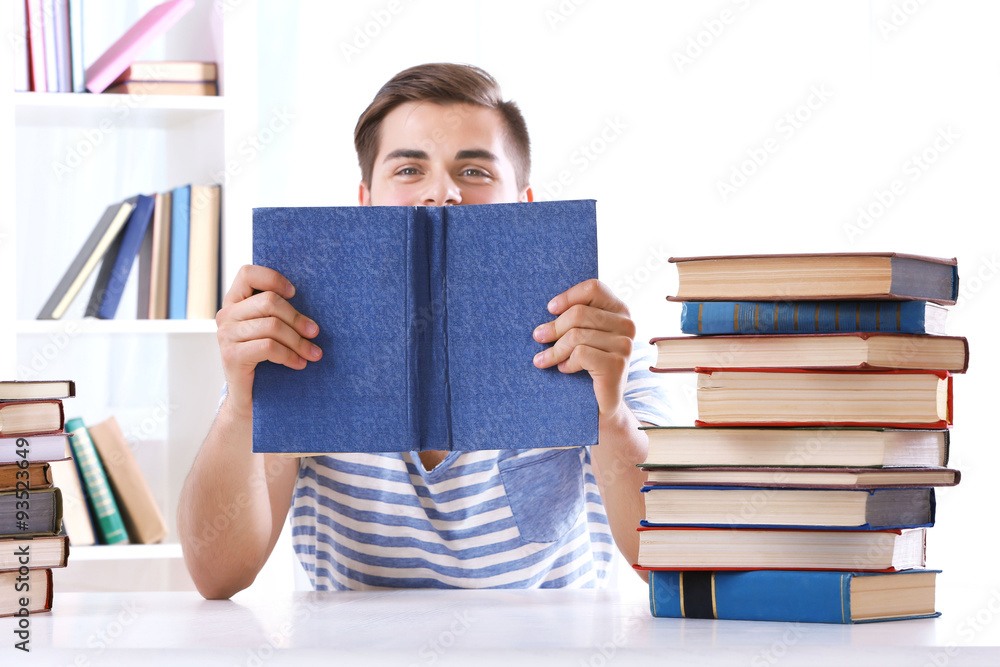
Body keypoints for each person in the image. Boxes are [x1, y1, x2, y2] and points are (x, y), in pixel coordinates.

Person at [177, 63, 671, 597]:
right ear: (364, 203)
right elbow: (218, 576)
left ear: (525, 206)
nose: (443, 194)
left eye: (476, 172)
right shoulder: (293, 346)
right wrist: (242, 406)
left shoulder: (606, 351)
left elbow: (669, 558)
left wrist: (610, 414)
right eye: (409, 170)